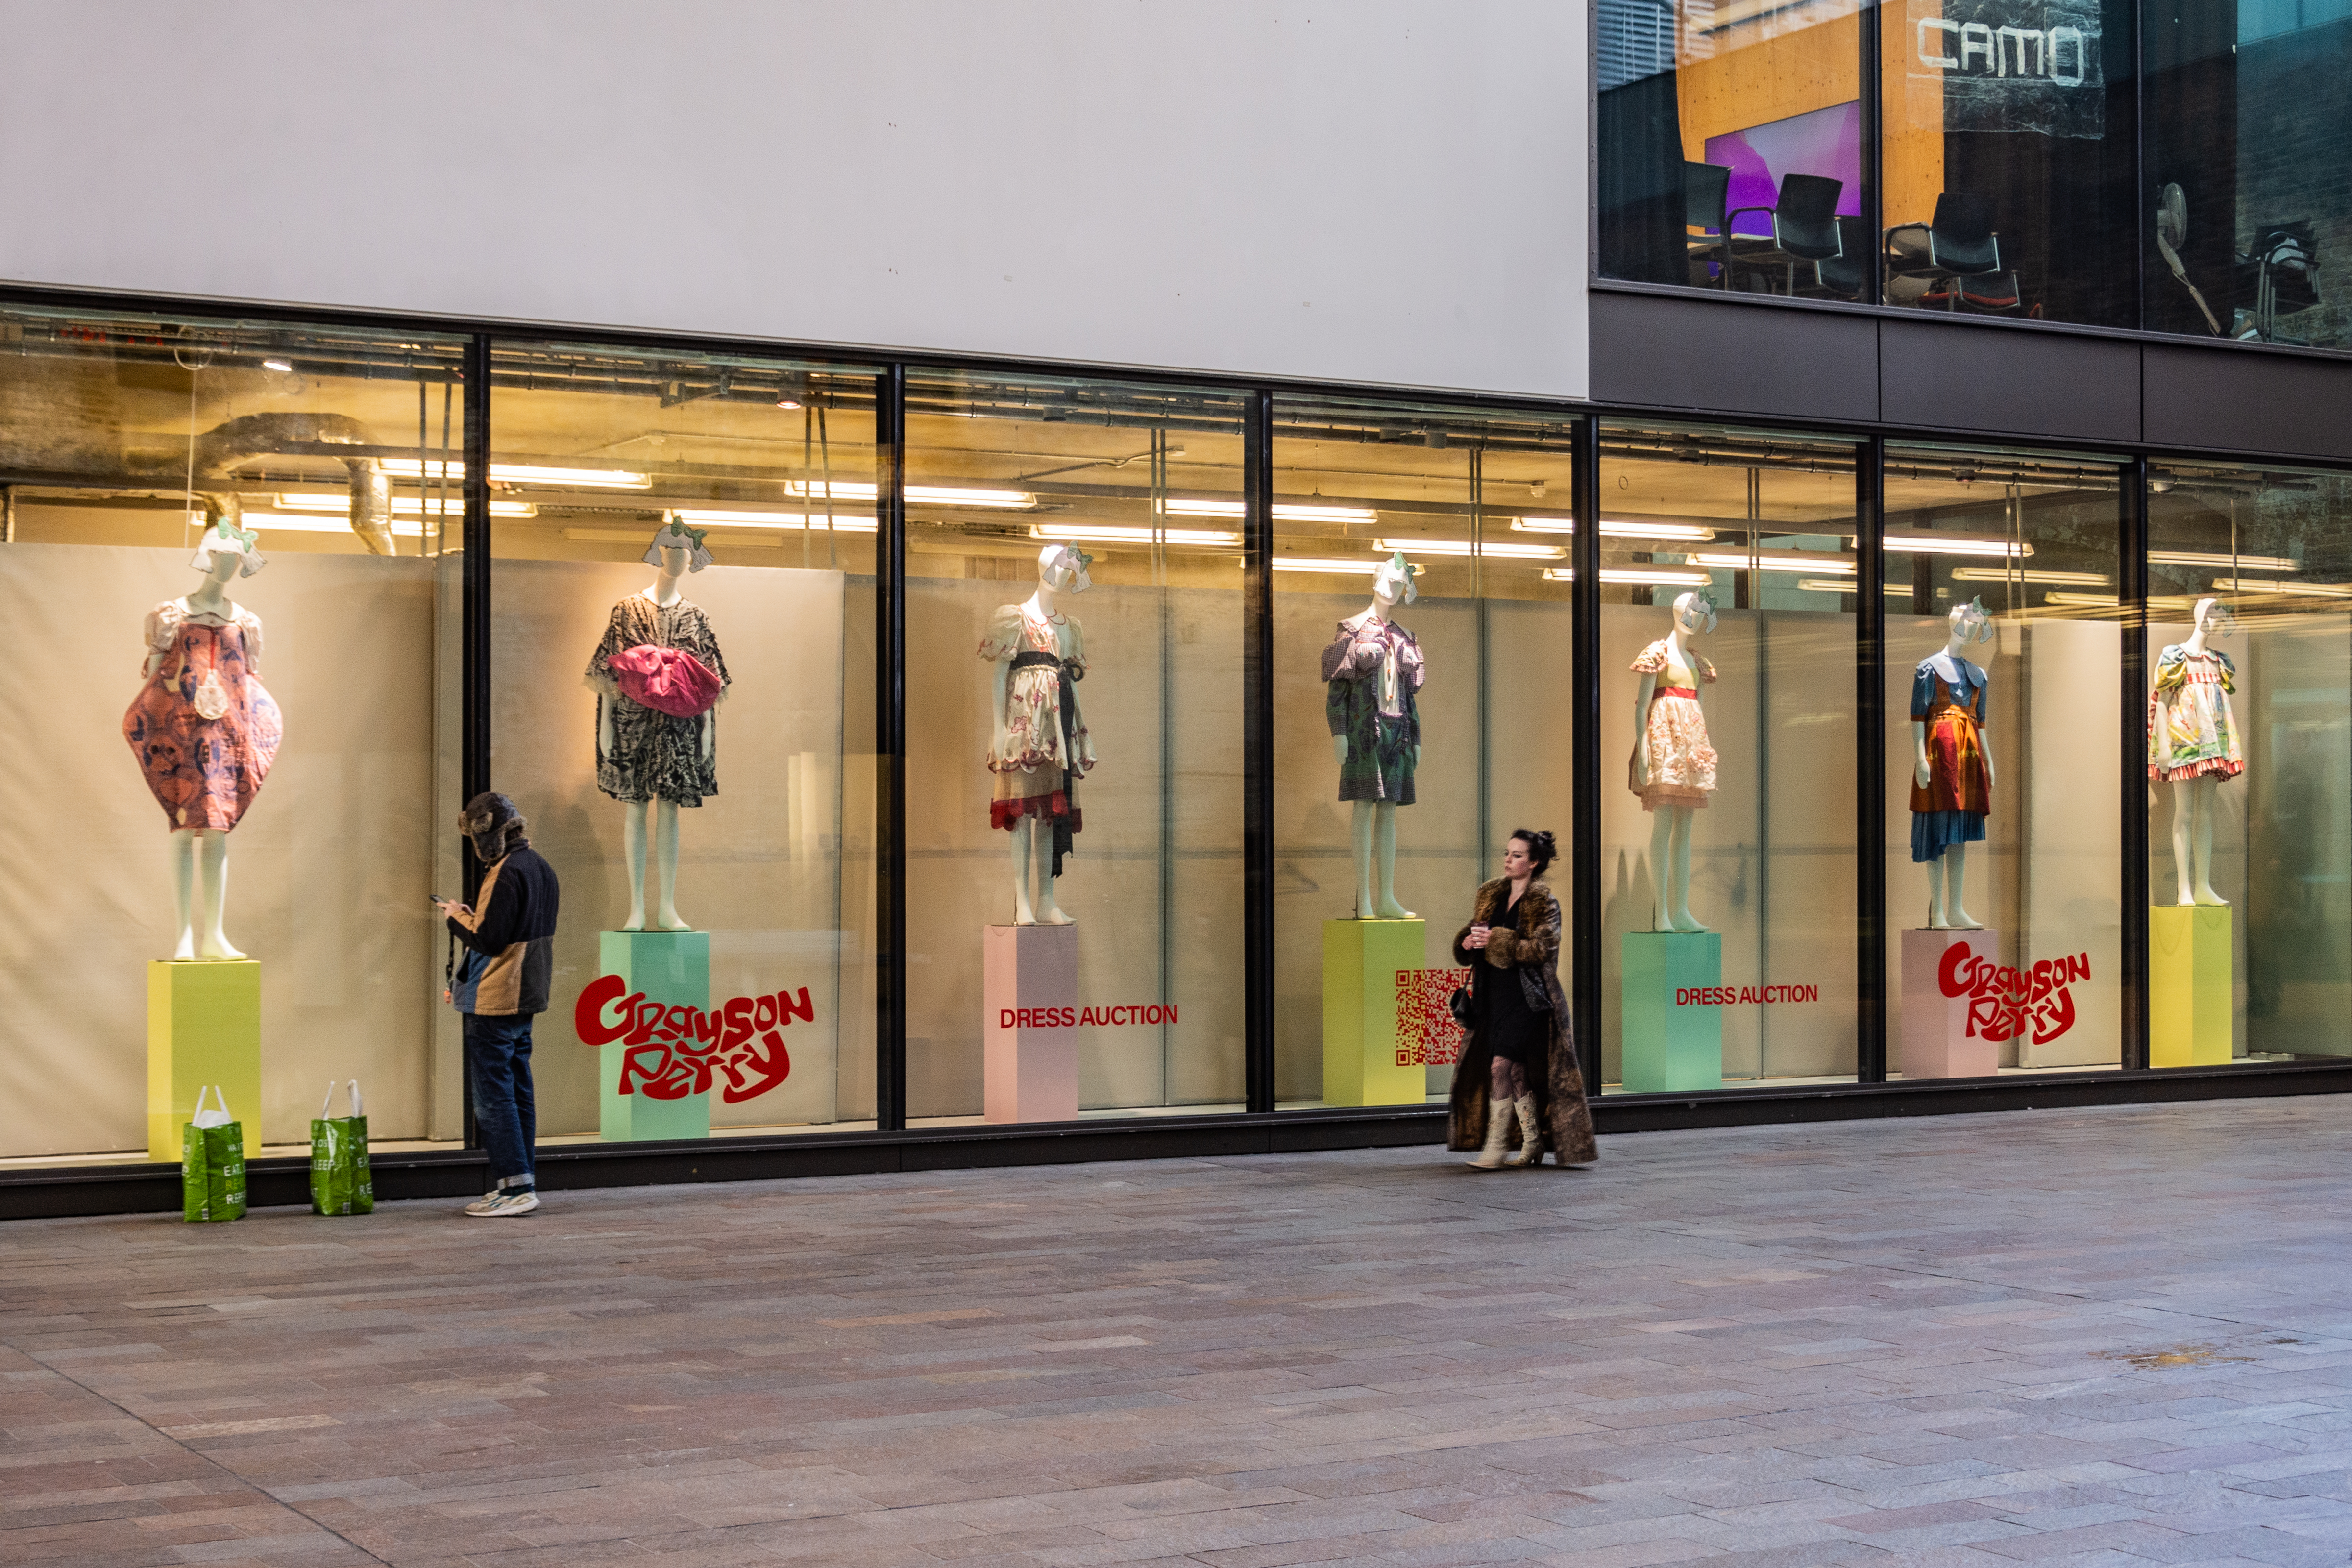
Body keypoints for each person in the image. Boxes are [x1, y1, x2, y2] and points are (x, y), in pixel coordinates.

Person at [436, 792, 561, 1217]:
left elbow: (489, 940)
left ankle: (514, 1190)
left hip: (496, 997)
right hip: (528, 994)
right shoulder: (541, 867)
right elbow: (507, 930)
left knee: (494, 1097)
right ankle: (521, 1182)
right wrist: (474, 918)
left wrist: (456, 917)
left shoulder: (505, 874)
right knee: (519, 1089)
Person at [1448, 829, 1598, 1171]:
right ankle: (1533, 1142)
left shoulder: (1543, 901)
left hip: (1527, 999)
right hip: (1492, 997)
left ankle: (1496, 1146)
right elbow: (1474, 934)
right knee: (1515, 1072)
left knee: (1499, 1066)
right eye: (1507, 853)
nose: (1508, 859)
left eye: (1517, 855)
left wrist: (1499, 941)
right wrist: (1469, 943)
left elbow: (1542, 949)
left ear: (1533, 863)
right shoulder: (1491, 894)